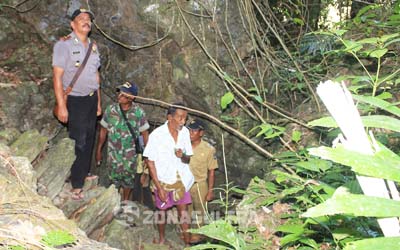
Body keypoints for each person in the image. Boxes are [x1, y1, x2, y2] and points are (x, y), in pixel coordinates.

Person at [52, 8, 101, 200]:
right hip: (75, 101)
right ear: (72, 24)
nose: (85, 21)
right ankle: (76, 184)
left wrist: (98, 102)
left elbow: (97, 76)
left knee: (89, 139)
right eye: (81, 18)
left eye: (88, 19)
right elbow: (57, 77)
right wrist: (62, 105)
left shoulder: (93, 46)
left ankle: (84, 172)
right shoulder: (62, 46)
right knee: (78, 141)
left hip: (90, 99)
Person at [143, 103, 194, 246]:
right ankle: (161, 239)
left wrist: (182, 155)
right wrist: (159, 188)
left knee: (183, 211)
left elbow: (188, 158)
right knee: (161, 211)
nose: (183, 121)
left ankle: (188, 243)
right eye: (179, 117)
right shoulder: (157, 135)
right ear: (169, 117)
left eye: (185, 118)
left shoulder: (184, 133)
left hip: (180, 179)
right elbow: (150, 161)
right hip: (163, 181)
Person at [95, 82, 150, 202]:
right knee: (113, 181)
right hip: (113, 155)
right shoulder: (111, 110)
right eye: (120, 92)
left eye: (124, 93)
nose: (120, 95)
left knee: (128, 182)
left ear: (132, 97)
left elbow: (145, 135)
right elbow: (103, 131)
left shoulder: (138, 113)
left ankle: (125, 202)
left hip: (130, 157)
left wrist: (147, 156)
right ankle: (112, 201)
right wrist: (98, 150)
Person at [187, 119, 218, 243]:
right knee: (186, 210)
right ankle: (187, 234)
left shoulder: (208, 149)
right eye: (189, 130)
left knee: (200, 211)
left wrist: (210, 190)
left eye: (194, 130)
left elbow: (212, 170)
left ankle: (200, 235)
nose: (191, 133)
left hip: (200, 184)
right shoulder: (183, 145)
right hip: (185, 184)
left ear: (201, 133)